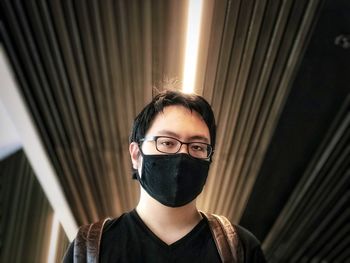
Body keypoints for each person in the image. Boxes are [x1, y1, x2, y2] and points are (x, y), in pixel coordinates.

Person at [63, 90, 266, 262]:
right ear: (136, 154)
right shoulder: (91, 249)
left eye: (197, 147)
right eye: (167, 143)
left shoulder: (240, 249)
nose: (182, 155)